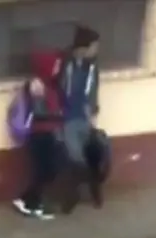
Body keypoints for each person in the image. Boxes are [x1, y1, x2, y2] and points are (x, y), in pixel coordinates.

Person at [12, 49, 64, 220]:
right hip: (40, 135)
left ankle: (27, 200)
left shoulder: (50, 84)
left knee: (48, 170)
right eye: (55, 65)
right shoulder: (37, 86)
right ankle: (31, 203)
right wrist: (59, 117)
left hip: (48, 133)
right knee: (44, 170)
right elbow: (41, 113)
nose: (58, 67)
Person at [58, 25, 101, 211]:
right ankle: (73, 196)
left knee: (90, 156)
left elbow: (93, 92)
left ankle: (94, 189)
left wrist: (92, 113)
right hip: (68, 118)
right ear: (83, 47)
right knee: (74, 159)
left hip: (85, 118)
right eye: (94, 46)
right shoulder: (66, 64)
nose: (96, 50)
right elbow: (59, 87)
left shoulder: (92, 66)